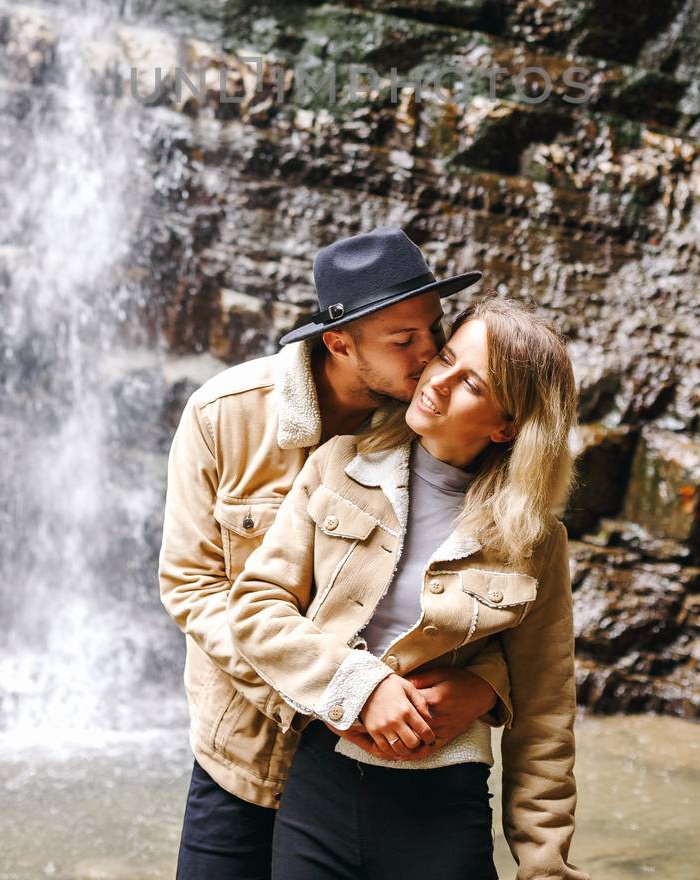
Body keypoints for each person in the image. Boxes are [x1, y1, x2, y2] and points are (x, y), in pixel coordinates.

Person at [158, 227, 516, 880]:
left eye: (432, 331)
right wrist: (335, 693)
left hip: (388, 768)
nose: (430, 355)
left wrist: (485, 688)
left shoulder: (440, 423)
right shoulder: (223, 416)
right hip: (246, 749)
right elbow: (191, 588)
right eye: (403, 341)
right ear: (339, 342)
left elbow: (500, 597)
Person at [228, 295, 591, 880]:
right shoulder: (337, 466)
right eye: (446, 357)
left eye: (471, 383)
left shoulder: (534, 541)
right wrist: (361, 687)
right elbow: (255, 607)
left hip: (444, 800)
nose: (437, 383)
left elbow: (546, 712)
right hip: (321, 778)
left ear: (509, 426)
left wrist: (546, 865)